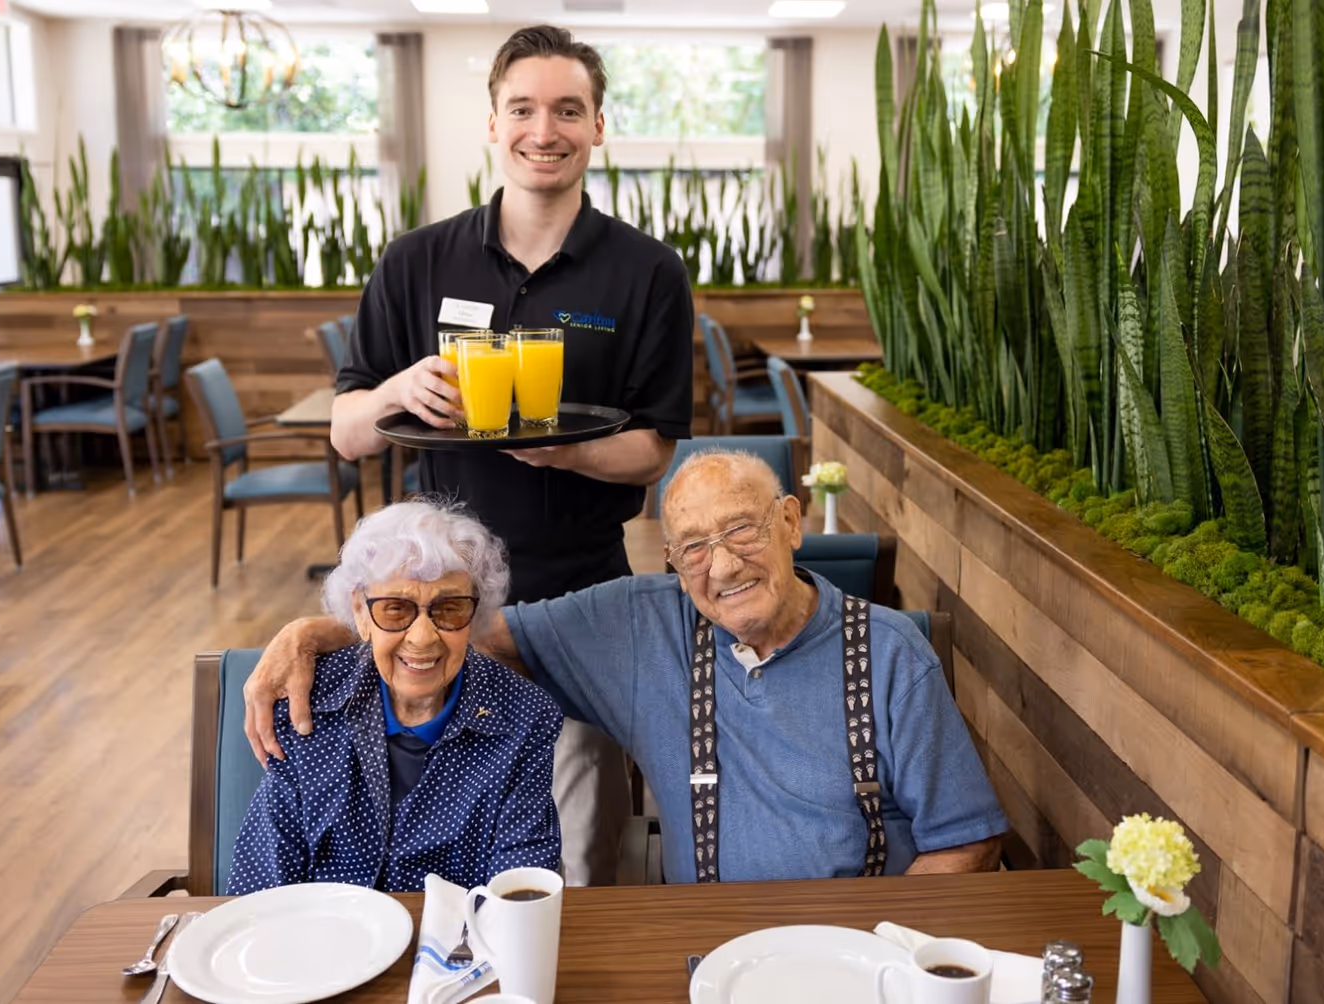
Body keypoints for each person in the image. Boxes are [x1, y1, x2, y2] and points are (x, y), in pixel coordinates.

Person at [245, 451, 1009, 882]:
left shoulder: (888, 652)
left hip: (859, 955)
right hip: (707, 963)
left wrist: (875, 959)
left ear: (790, 523)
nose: (722, 566)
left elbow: (968, 841)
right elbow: (455, 627)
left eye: (741, 530)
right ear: (671, 562)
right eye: (693, 549)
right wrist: (328, 630)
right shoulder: (638, 625)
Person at [326, 24, 693, 885]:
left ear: (598, 126)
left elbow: (651, 451)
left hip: (582, 591)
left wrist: (567, 453)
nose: (544, 129)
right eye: (523, 108)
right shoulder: (417, 260)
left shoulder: (646, 273)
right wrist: (394, 395)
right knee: (435, 828)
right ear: (492, 122)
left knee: (577, 831)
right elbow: (347, 432)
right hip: (433, 598)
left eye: (569, 109)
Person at [227, 501, 562, 895]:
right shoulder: (308, 703)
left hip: (460, 949)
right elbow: (260, 891)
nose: (422, 638)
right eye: (395, 609)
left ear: (476, 615)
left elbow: (520, 892)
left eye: (450, 609)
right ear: (360, 612)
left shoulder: (524, 718)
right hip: (322, 947)